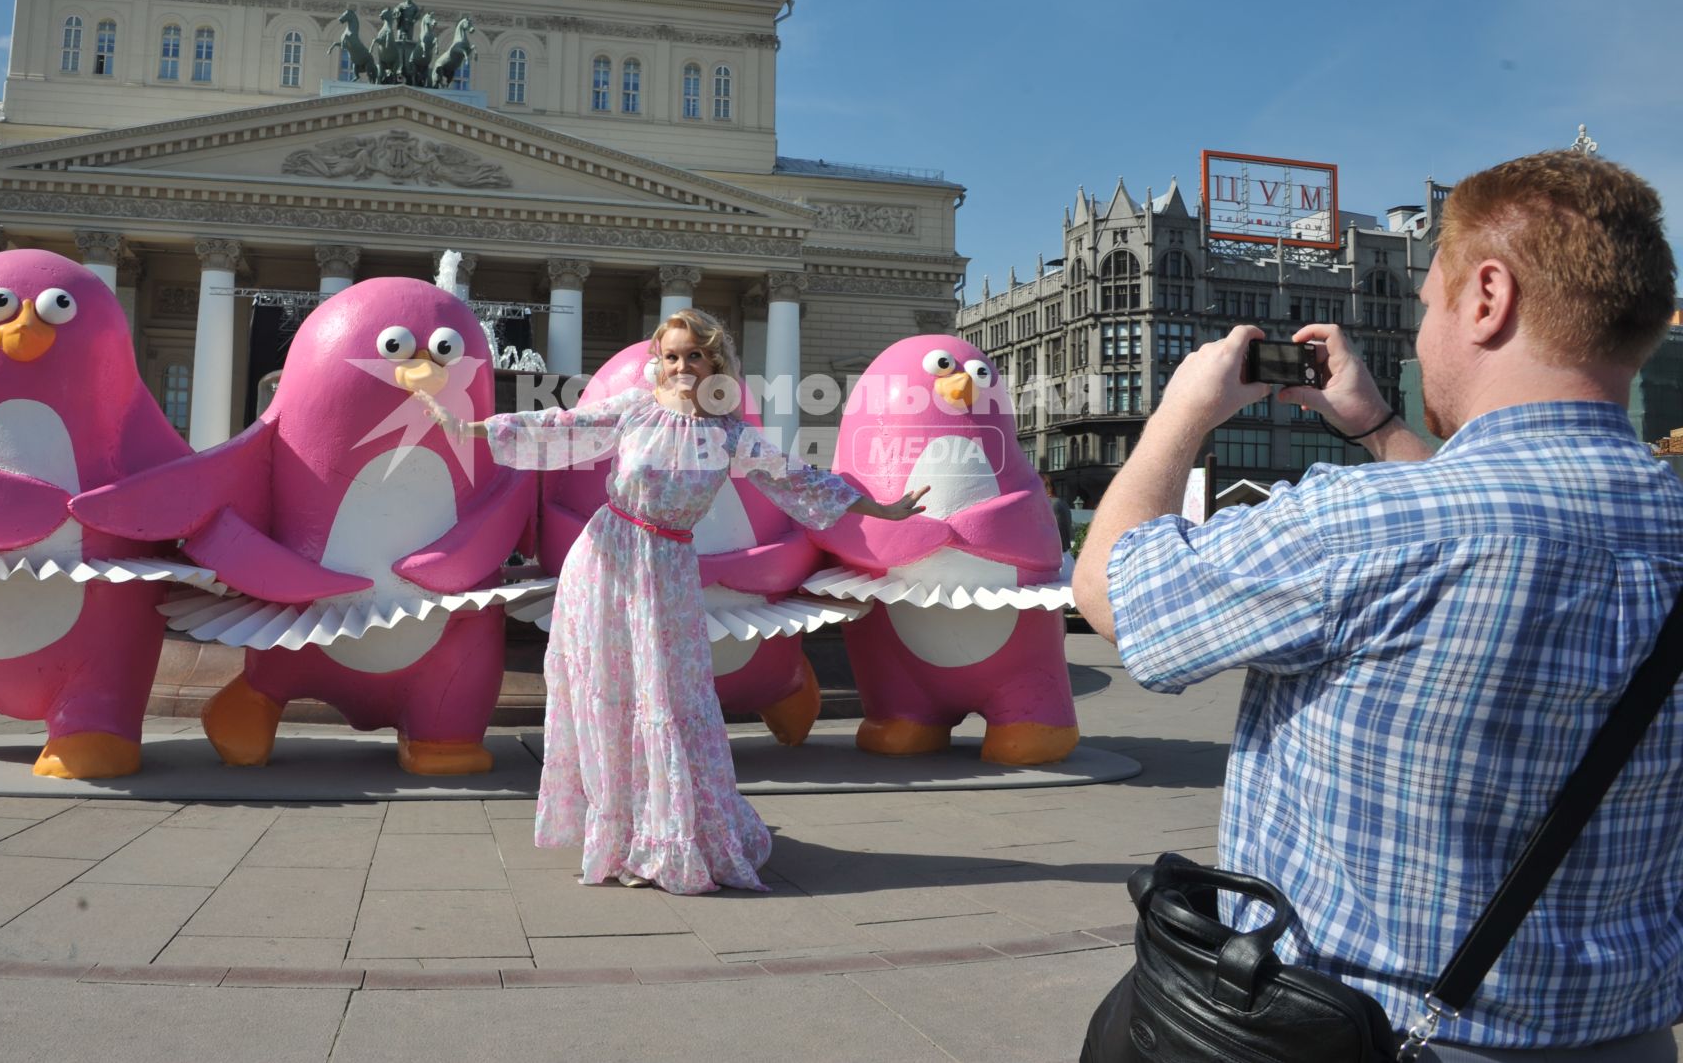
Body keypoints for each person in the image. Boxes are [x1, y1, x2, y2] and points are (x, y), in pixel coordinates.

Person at [1073, 152, 1683, 1061]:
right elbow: (1497, 518)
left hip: (1370, 1033)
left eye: (1431, 305)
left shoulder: (1356, 525)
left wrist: (1181, 413)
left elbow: (1116, 590)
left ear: (1488, 297)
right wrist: (1377, 428)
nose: (1421, 337)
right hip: (1625, 1036)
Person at [420, 309, 926, 894]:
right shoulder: (634, 408)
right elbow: (559, 424)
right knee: (610, 689)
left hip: (667, 566)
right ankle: (622, 835)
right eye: (670, 355)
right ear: (657, 361)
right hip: (606, 559)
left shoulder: (730, 434)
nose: (681, 366)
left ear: (713, 362)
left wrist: (883, 510)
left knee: (670, 694)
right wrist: (471, 429)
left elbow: (799, 480)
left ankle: (671, 833)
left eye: (692, 355)